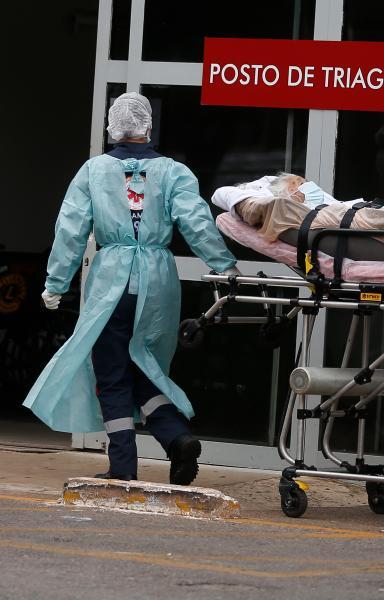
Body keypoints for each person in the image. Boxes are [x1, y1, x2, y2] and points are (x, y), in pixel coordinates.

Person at [24, 92, 240, 484]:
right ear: (148, 127)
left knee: (111, 370)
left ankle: (123, 465)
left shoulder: (93, 171)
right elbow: (197, 223)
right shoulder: (174, 172)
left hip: (112, 280)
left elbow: (71, 230)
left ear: (112, 127)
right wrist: (224, 266)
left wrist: (56, 282)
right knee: (145, 365)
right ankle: (176, 438)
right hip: (158, 280)